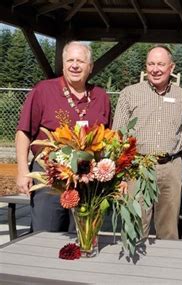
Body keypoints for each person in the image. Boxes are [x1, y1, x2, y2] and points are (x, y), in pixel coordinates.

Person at [16, 41, 112, 232]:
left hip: (87, 179)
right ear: (63, 64)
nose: (74, 65)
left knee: (81, 234)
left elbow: (108, 141)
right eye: (70, 60)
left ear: (90, 67)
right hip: (49, 176)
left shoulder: (100, 96)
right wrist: (22, 171)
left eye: (80, 61)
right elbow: (24, 132)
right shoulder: (44, 90)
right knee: (46, 232)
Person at [113, 45, 182, 240]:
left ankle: (165, 268)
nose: (155, 69)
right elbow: (117, 137)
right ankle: (132, 268)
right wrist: (120, 175)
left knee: (169, 229)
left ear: (171, 67)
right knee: (135, 225)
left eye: (160, 64)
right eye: (151, 64)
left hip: (171, 167)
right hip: (138, 167)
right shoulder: (129, 94)